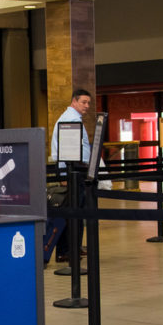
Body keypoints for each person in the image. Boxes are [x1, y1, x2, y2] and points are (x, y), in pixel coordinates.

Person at [49, 89, 92, 262]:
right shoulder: (70, 120)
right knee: (72, 211)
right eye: (83, 102)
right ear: (74, 101)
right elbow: (67, 151)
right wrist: (64, 176)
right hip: (71, 170)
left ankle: (72, 247)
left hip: (73, 169)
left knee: (76, 211)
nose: (87, 106)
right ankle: (66, 251)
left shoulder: (72, 119)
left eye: (88, 103)